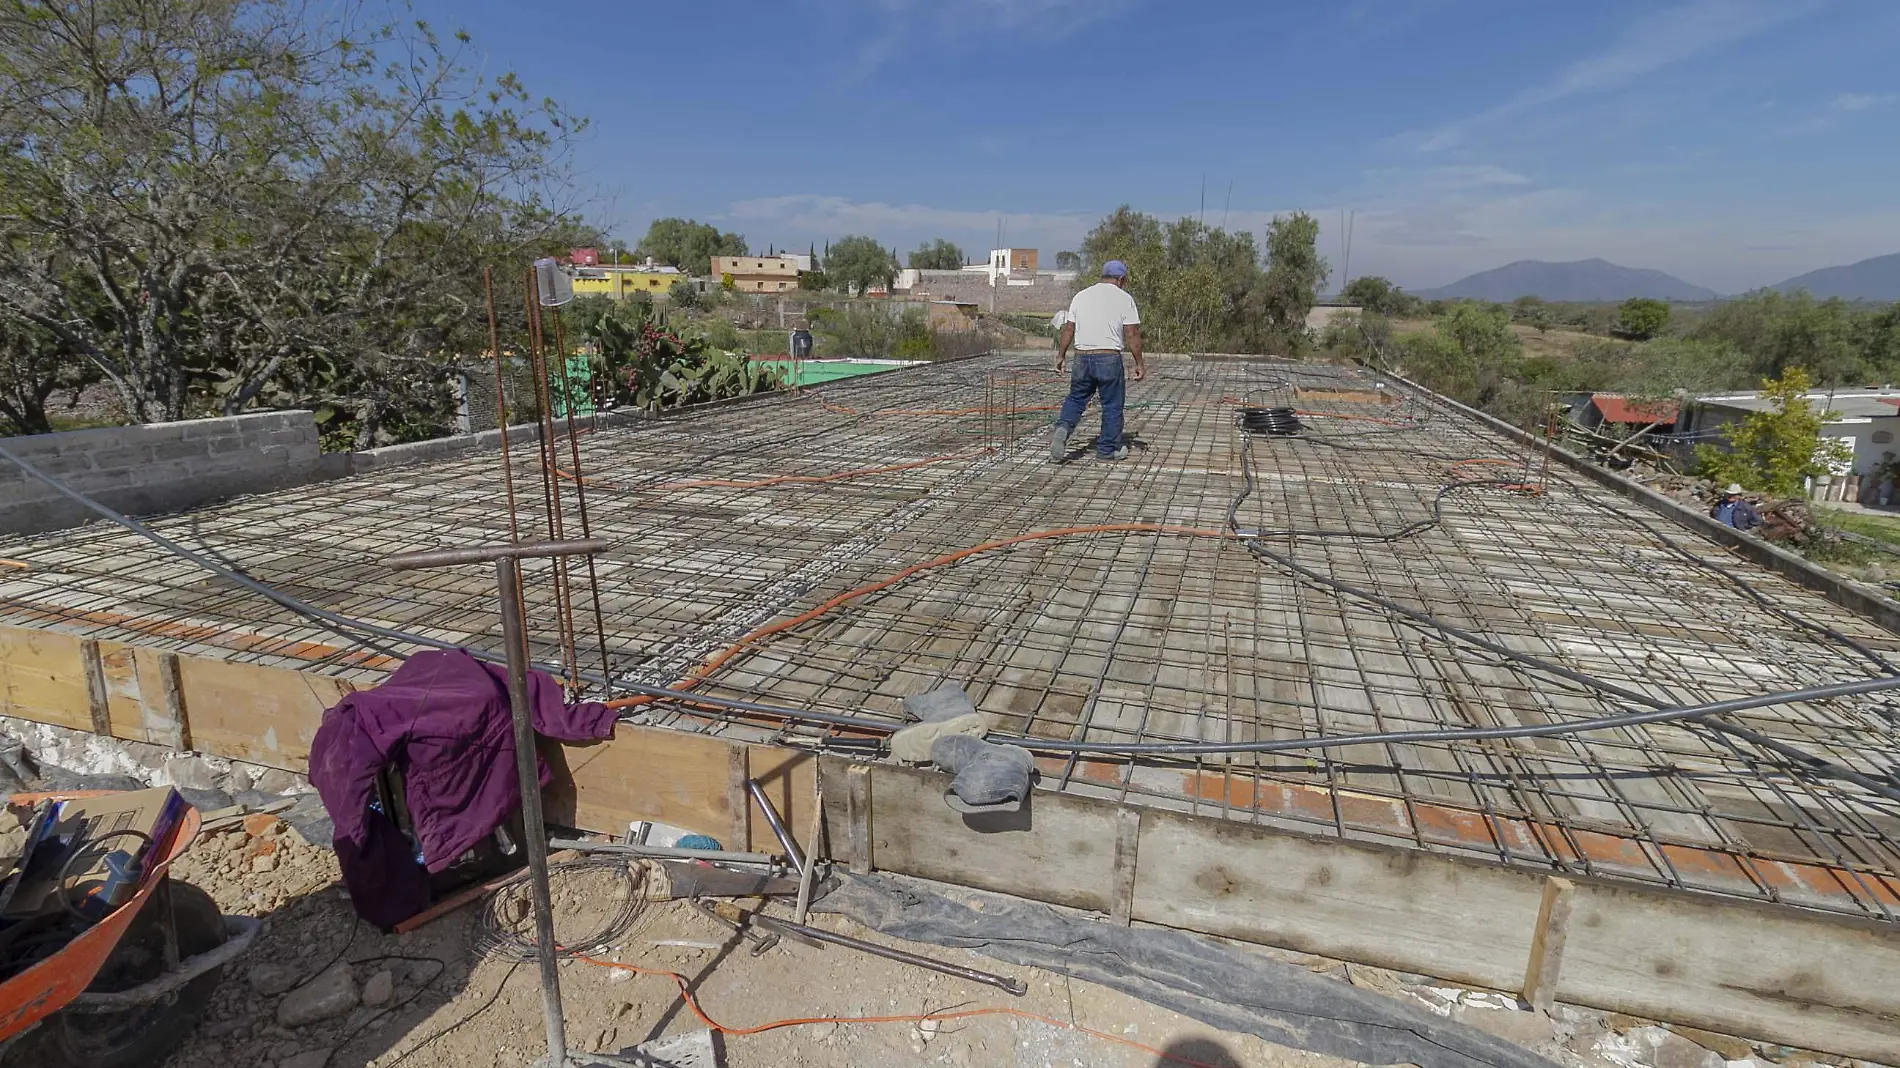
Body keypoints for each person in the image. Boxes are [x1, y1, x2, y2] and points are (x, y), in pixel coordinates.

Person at [1052, 260, 1144, 462]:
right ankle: (1107, 450)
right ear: (1121, 279)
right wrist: (1139, 363)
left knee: (1076, 399)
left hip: (1082, 357)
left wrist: (1060, 356)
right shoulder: (1124, 298)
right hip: (1108, 357)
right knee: (1112, 405)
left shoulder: (1081, 296)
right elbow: (1131, 333)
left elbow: (1069, 329)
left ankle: (1063, 428)